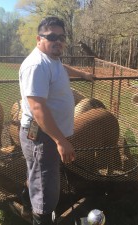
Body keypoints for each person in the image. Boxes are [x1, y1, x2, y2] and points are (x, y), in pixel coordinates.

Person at [19, 16, 94, 225]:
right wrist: (61, 141)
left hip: (46, 134)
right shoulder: (36, 66)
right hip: (42, 136)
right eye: (52, 36)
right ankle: (40, 218)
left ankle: (26, 205)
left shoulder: (52, 60)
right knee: (45, 189)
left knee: (36, 175)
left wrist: (82, 74)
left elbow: (62, 67)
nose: (58, 41)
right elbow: (37, 108)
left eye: (62, 37)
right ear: (38, 39)